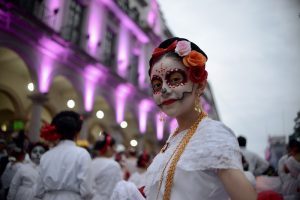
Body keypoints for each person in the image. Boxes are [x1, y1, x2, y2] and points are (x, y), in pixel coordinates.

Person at [144, 37, 257, 200]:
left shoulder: (213, 134)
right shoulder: (173, 139)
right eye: (156, 85)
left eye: (175, 79)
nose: (164, 90)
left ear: (200, 85)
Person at [35, 110, 93, 200]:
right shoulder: (82, 154)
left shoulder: (46, 156)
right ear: (77, 133)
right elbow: (87, 190)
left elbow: (38, 190)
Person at [90, 132, 122, 200]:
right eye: (113, 146)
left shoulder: (91, 163)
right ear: (108, 148)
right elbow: (117, 189)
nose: (115, 150)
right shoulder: (113, 165)